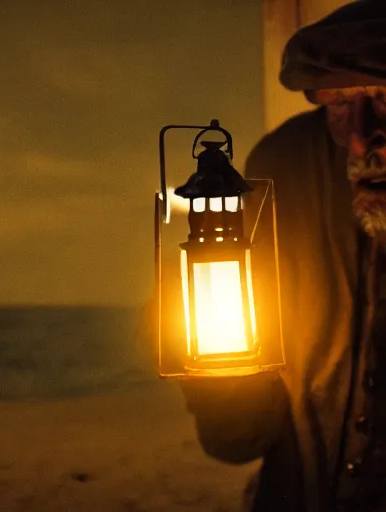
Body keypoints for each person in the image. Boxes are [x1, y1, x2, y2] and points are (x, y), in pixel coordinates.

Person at [171, 1, 386, 510]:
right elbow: (236, 439)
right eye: (337, 104)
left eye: (383, 97)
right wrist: (211, 365)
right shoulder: (283, 169)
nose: (361, 137)